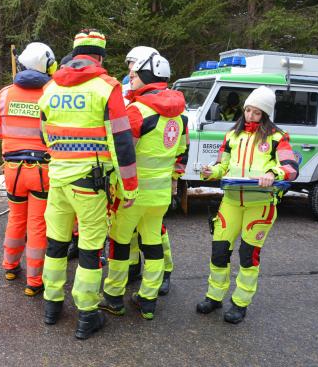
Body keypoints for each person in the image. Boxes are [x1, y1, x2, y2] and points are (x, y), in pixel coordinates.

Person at [38, 29, 138, 339]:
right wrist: (130, 187)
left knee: (55, 244)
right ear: (100, 57)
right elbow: (122, 142)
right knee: (90, 248)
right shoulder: (107, 88)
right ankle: (87, 314)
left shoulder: (51, 87)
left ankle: (52, 306)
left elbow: (45, 134)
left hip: (58, 180)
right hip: (90, 184)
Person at [196, 86, 299, 324]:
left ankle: (240, 304)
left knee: (247, 256)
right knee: (219, 252)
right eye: (248, 110)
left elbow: (291, 168)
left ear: (265, 114)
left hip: (259, 205)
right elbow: (223, 166)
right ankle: (214, 296)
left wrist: (274, 172)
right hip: (230, 202)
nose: (250, 116)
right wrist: (211, 171)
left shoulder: (277, 137)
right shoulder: (232, 135)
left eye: (256, 112)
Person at [98, 51, 188, 320]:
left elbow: (124, 154)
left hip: (132, 194)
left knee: (120, 243)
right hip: (159, 195)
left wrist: (116, 184)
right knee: (153, 244)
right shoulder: (181, 117)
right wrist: (173, 183)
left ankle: (113, 296)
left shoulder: (137, 111)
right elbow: (180, 156)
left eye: (135, 74)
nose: (131, 77)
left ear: (148, 76)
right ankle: (148, 299)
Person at [0, 42, 55, 296]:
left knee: (16, 218)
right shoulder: (52, 93)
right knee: (37, 224)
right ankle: (34, 280)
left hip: (12, 169)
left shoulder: (4, 94)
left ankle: (9, 266)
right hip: (42, 170)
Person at [123, 46, 184, 296]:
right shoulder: (178, 112)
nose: (129, 71)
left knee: (153, 235)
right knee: (147, 234)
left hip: (143, 187)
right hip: (157, 190)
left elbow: (127, 151)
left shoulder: (143, 105)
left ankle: (162, 273)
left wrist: (174, 178)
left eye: (133, 66)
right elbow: (181, 151)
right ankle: (139, 271)